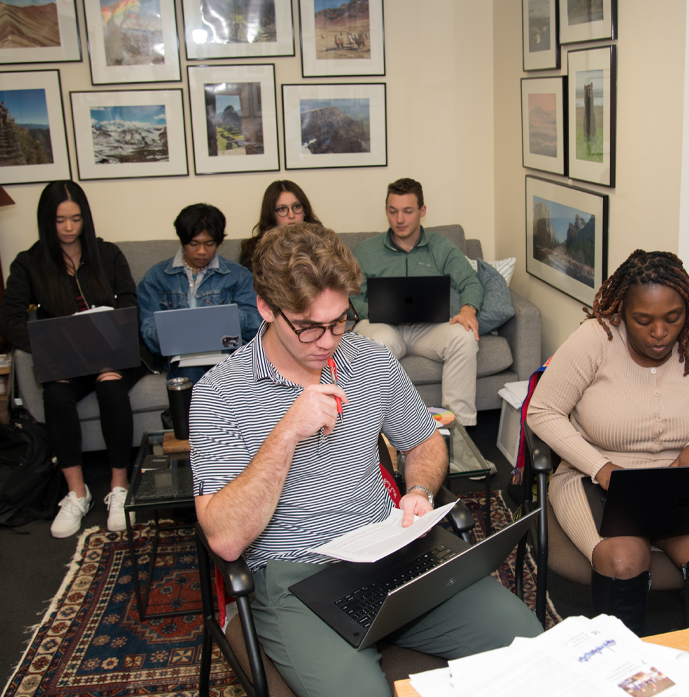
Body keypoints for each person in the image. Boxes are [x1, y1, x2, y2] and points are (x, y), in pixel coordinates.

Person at [189, 223, 542, 697]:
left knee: (527, 644)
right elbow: (227, 540)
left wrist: (418, 489)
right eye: (310, 326)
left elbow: (423, 440)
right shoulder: (220, 392)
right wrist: (287, 432)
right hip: (294, 575)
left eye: (339, 321)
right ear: (266, 308)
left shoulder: (369, 360)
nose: (328, 340)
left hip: (389, 552)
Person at [527, 250, 689, 635]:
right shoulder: (595, 338)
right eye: (643, 320)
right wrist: (601, 468)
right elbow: (543, 411)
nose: (660, 332)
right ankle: (620, 674)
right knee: (622, 558)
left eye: (673, 318)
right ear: (621, 311)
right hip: (595, 476)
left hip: (678, 482)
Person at [0, 181, 148, 538]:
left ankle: (118, 486)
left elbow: (129, 303)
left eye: (76, 219)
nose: (68, 228)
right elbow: (9, 320)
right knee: (56, 393)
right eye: (60, 220)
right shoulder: (29, 263)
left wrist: (111, 331)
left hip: (112, 352)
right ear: (46, 221)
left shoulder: (107, 254)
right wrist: (48, 344)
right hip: (66, 357)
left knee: (111, 387)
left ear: (86, 219)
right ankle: (76, 492)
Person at [351, 178, 484, 426]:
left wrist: (468, 309)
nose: (399, 219)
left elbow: (471, 281)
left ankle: (459, 430)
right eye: (393, 211)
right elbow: (350, 295)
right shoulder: (365, 251)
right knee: (381, 342)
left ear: (422, 211)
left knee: (464, 337)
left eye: (407, 211)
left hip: (428, 328)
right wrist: (374, 312)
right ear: (386, 212)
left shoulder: (442, 246)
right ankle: (378, 432)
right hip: (382, 326)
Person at [137, 203, 262, 383]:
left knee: (230, 371)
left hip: (226, 355)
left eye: (209, 244)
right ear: (182, 240)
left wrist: (223, 319)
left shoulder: (238, 276)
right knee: (191, 371)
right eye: (194, 244)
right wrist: (175, 331)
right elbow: (148, 333)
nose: (202, 251)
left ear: (219, 242)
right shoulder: (156, 277)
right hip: (182, 359)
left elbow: (256, 323)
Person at [238, 180, 322, 271]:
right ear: (271, 214)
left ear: (305, 210)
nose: (291, 215)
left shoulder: (322, 241)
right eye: (282, 209)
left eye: (297, 206)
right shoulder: (253, 249)